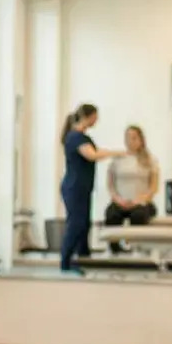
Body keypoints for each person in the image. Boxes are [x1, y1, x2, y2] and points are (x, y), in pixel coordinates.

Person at [59, 103, 118, 273]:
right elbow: (92, 155)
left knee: (84, 224)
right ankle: (65, 261)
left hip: (83, 187)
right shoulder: (75, 137)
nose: (96, 121)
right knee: (76, 223)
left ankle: (83, 257)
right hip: (74, 187)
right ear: (88, 116)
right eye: (95, 117)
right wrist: (115, 153)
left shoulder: (84, 137)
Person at [105, 124, 161, 234]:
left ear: (141, 140)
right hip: (121, 202)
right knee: (112, 215)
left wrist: (140, 200)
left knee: (138, 215)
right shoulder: (117, 160)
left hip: (142, 202)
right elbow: (110, 185)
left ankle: (137, 243)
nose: (130, 141)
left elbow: (154, 187)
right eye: (127, 138)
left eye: (134, 138)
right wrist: (118, 199)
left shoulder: (150, 160)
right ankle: (115, 244)